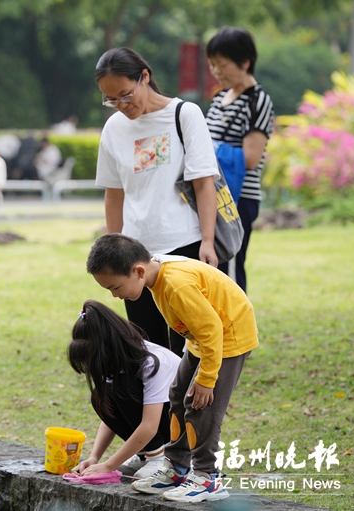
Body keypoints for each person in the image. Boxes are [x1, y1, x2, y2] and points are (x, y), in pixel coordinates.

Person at [87, 233, 258, 503]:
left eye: (115, 288)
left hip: (228, 338)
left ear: (138, 271)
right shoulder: (156, 274)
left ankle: (206, 477)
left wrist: (206, 379)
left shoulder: (176, 285)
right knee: (178, 394)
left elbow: (213, 329)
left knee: (202, 405)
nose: (115, 296)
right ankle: (177, 467)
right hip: (200, 339)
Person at [94, 47, 220, 356]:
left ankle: (190, 407)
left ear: (145, 77)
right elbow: (114, 193)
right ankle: (159, 408)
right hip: (136, 255)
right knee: (149, 350)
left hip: (185, 247)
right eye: (111, 100)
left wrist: (207, 240)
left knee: (190, 348)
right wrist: (115, 250)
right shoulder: (114, 127)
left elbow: (204, 183)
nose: (121, 106)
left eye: (125, 95)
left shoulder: (184, 114)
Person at [67, 300, 180, 481]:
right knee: (100, 396)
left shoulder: (152, 362)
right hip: (162, 424)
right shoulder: (120, 362)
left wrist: (109, 465)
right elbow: (111, 413)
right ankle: (147, 456)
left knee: (122, 391)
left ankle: (160, 460)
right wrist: (94, 457)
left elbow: (149, 426)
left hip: (185, 428)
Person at [205, 27, 275, 292]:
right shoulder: (220, 97)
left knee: (229, 268)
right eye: (212, 65)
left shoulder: (257, 101)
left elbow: (250, 158)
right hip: (211, 194)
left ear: (245, 62)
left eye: (222, 65)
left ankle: (238, 331)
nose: (216, 71)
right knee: (211, 267)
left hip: (237, 198)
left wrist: (208, 150)